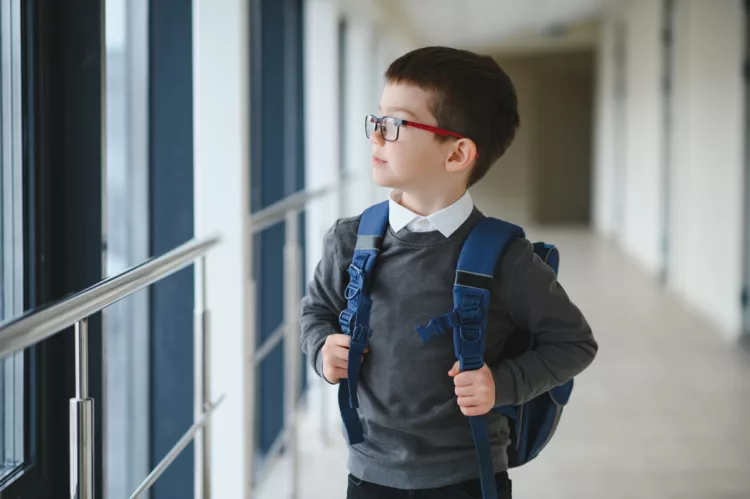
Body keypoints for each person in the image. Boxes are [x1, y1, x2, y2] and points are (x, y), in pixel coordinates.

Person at [300, 46, 598, 499]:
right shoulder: (350, 240)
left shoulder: (505, 257)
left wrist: (502, 384)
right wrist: (322, 348)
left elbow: (575, 343)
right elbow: (316, 311)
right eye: (377, 120)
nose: (376, 136)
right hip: (369, 473)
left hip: (469, 478)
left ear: (457, 153)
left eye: (395, 125)